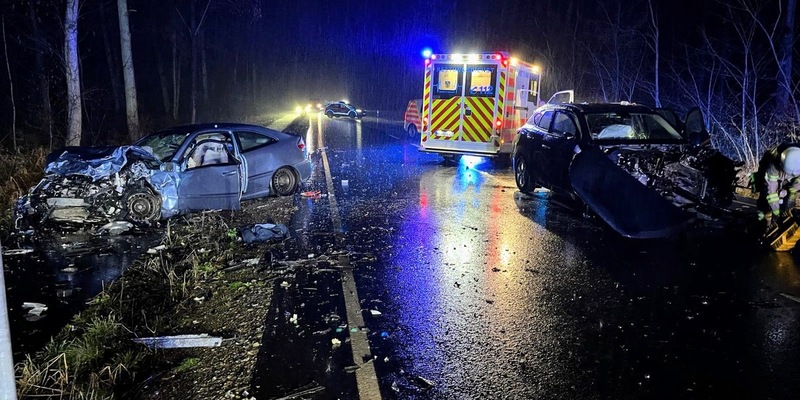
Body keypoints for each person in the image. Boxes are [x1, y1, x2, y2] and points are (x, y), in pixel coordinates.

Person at [754, 143, 800, 231]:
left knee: (789, 200)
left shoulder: (798, 161)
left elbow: (798, 182)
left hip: (788, 177)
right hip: (770, 176)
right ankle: (762, 223)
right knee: (765, 198)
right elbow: (771, 192)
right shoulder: (772, 163)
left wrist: (793, 190)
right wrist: (776, 211)